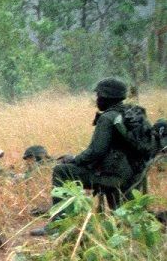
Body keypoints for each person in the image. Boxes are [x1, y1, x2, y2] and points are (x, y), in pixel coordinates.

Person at [52, 78, 154, 207]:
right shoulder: (134, 114)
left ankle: (60, 220)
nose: (97, 99)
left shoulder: (107, 118)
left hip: (113, 178)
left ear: (106, 97)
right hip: (135, 175)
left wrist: (74, 159)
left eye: (98, 95)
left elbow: (96, 151)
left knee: (61, 171)